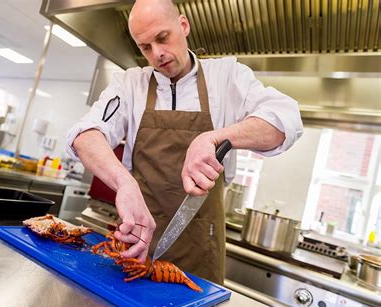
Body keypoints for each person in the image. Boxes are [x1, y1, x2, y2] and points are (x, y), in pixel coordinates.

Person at [66, 0, 303, 285]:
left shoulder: (226, 77)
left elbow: (284, 119)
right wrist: (124, 183)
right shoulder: (130, 84)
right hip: (137, 247)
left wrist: (214, 137)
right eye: (145, 47)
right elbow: (85, 135)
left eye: (162, 38)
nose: (158, 54)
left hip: (200, 253)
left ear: (183, 25)